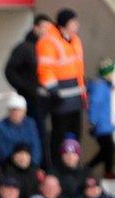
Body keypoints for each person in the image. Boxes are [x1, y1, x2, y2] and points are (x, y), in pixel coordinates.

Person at [37, 9, 85, 169]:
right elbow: (45, 69)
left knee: (75, 135)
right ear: (64, 24)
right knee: (59, 136)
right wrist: (54, 91)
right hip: (60, 99)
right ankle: (58, 167)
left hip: (75, 98)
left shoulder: (75, 40)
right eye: (73, 22)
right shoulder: (49, 42)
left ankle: (74, 167)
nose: (76, 25)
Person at [6, 14, 53, 162]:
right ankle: (38, 165)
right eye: (44, 27)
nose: (47, 31)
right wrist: (28, 89)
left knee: (46, 134)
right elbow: (10, 72)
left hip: (47, 100)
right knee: (36, 134)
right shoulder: (25, 48)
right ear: (35, 27)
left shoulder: (49, 48)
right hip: (31, 100)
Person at [87, 58, 115, 178]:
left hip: (108, 124)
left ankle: (107, 171)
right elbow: (95, 104)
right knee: (108, 149)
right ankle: (89, 167)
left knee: (108, 149)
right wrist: (93, 121)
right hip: (102, 125)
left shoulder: (107, 86)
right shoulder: (100, 86)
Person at [0, 93, 42, 167]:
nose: (16, 113)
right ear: (8, 111)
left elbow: (36, 147)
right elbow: (1, 151)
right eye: (13, 110)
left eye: (19, 110)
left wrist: (33, 164)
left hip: (29, 166)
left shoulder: (30, 124)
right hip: (8, 166)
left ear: (24, 111)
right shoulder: (0, 126)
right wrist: (18, 159)